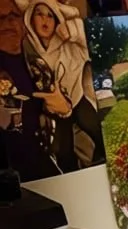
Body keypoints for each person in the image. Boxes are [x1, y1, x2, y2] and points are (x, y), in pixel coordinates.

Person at [19, 0, 101, 171]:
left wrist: (72, 29)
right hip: (53, 111)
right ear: (30, 19)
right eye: (39, 14)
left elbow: (89, 39)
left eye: (50, 15)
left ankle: (100, 161)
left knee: (95, 128)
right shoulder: (26, 48)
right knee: (63, 152)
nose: (45, 19)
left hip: (77, 98)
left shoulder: (70, 46)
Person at [0, 0, 69, 180]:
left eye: (13, 15)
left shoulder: (38, 66)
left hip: (45, 166)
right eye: (0, 17)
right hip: (9, 177)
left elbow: (62, 102)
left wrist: (64, 108)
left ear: (24, 25)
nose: (7, 21)